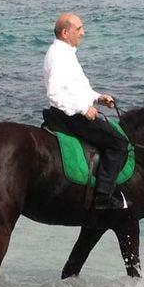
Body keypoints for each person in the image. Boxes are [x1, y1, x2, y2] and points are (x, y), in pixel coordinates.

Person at [43, 13, 128, 210]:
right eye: (79, 29)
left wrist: (98, 97)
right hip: (70, 116)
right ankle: (103, 198)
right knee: (118, 143)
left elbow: (76, 89)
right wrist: (83, 109)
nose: (83, 32)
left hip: (73, 111)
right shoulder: (59, 56)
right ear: (65, 33)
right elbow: (54, 93)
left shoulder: (66, 53)